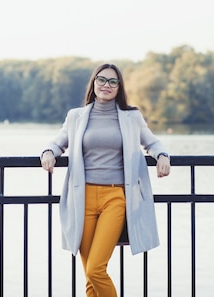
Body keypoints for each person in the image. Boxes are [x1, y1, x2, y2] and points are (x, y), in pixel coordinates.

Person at [40, 63, 171, 297]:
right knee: (90, 275)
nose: (106, 85)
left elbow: (152, 142)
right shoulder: (76, 117)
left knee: (95, 269)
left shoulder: (131, 117)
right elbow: (57, 142)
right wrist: (48, 152)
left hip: (115, 198)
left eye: (113, 81)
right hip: (82, 199)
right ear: (94, 83)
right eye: (102, 80)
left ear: (119, 87)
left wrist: (162, 155)